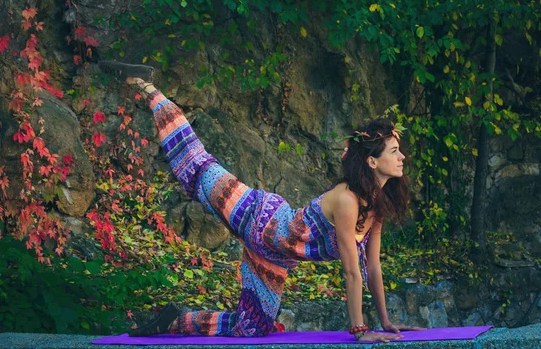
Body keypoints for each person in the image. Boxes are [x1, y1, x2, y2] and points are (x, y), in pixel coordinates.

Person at [98, 61, 425, 342]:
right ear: (372, 161)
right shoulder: (347, 200)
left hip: (273, 253)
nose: (402, 157)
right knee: (195, 165)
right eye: (395, 151)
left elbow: (373, 268)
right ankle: (145, 84)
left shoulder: (375, 207)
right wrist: (359, 329)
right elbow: (352, 273)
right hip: (259, 217)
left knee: (250, 328)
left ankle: (170, 321)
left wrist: (386, 323)